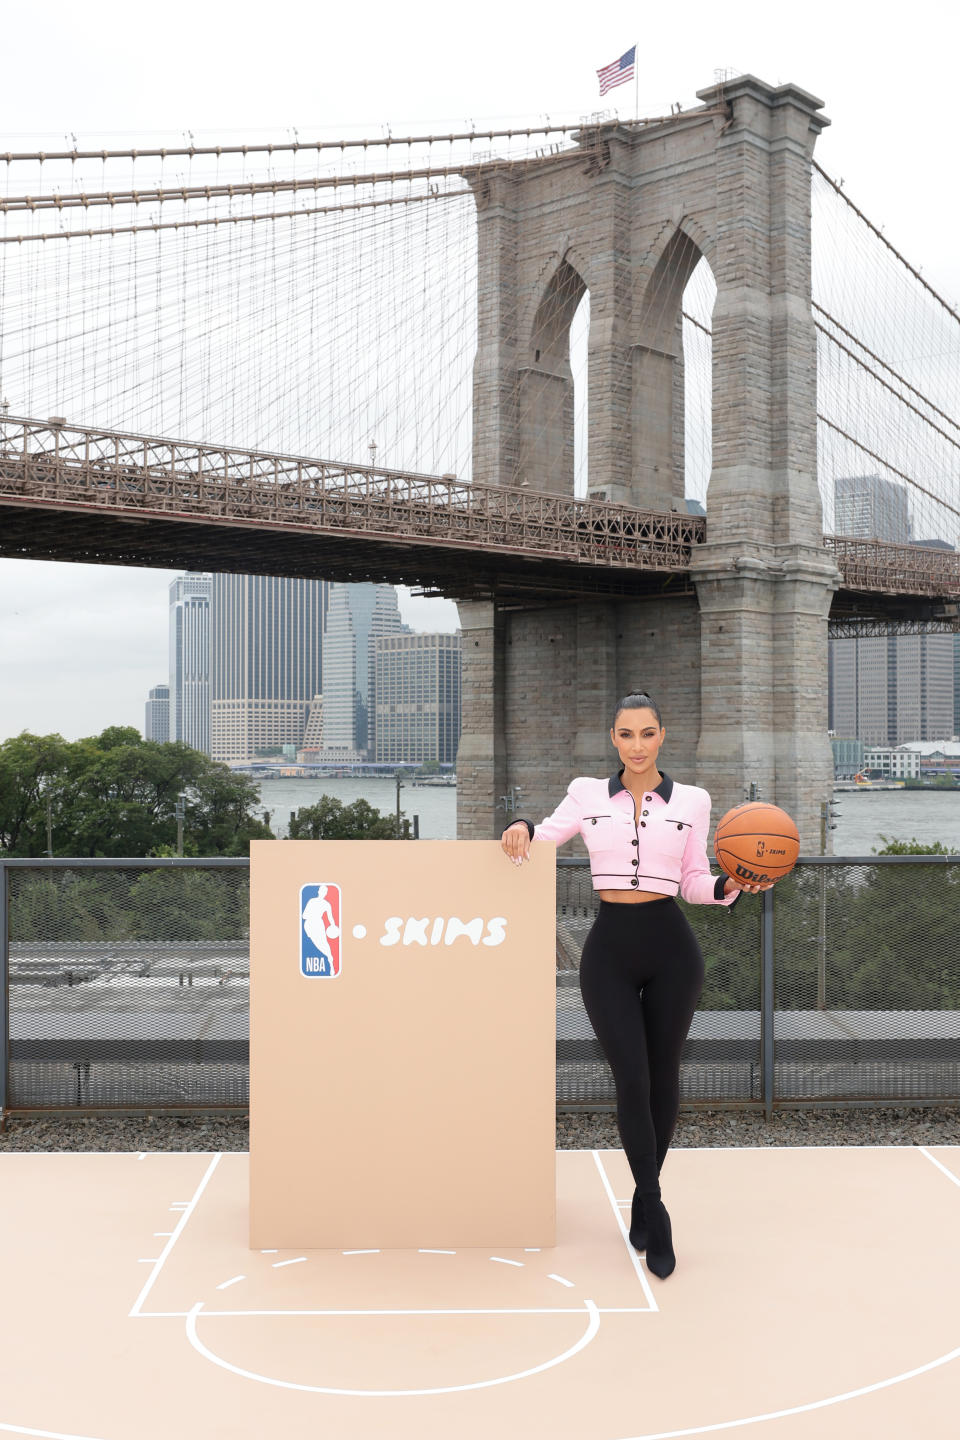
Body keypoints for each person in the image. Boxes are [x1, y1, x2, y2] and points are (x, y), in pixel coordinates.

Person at [501, 689, 772, 1280]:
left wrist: (729, 887)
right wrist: (521, 824)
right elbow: (545, 837)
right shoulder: (586, 794)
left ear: (661, 735)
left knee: (664, 1077)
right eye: (626, 734)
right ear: (614, 739)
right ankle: (655, 1208)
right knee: (632, 1076)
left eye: (647, 733)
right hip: (609, 951)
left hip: (672, 947)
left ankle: (644, 1198)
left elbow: (695, 879)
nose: (637, 745)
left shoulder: (694, 802)